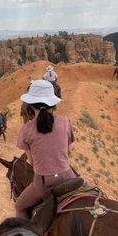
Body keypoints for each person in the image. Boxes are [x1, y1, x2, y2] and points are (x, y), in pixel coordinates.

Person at [16, 79, 76, 219]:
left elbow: (31, 161)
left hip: (43, 183)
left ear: (30, 105)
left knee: (19, 207)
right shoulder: (65, 121)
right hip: (67, 176)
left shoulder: (26, 129)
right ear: (53, 103)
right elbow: (69, 151)